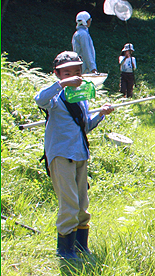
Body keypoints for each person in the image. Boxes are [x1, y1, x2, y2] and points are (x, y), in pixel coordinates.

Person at [35, 51, 114, 260]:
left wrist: (101, 114)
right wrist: (63, 84)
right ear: (57, 74)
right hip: (61, 155)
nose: (74, 76)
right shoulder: (55, 98)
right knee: (69, 203)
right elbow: (39, 99)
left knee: (81, 203)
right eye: (67, 72)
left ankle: (80, 247)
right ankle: (65, 251)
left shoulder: (81, 97)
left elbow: (84, 126)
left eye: (77, 72)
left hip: (80, 154)